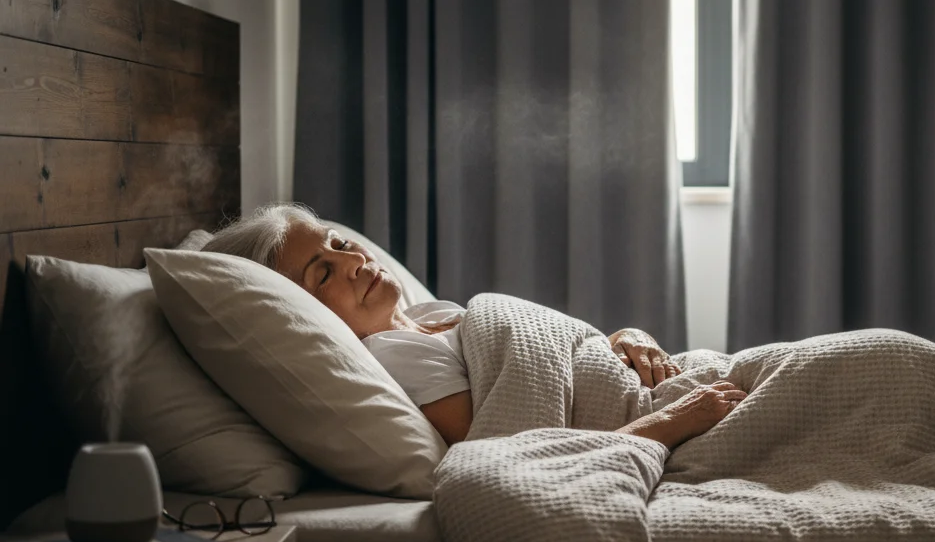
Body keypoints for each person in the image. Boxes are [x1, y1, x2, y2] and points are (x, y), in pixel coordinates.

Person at [202, 204, 744, 450]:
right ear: (307, 314)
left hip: (675, 375)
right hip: (664, 418)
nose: (351, 260)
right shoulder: (394, 357)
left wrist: (625, 338)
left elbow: (561, 353)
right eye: (323, 272)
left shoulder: (428, 317)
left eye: (339, 244)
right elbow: (523, 449)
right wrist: (675, 419)